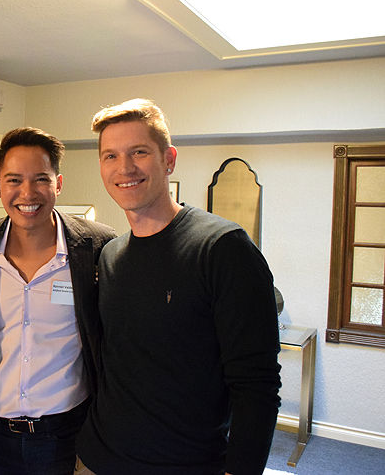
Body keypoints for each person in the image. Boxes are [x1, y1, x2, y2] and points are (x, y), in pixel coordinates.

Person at [74, 99, 282, 475]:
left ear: (168, 159)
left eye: (139, 152)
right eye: (110, 156)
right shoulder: (110, 255)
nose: (124, 167)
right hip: (97, 458)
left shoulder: (222, 248)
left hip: (186, 464)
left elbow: (257, 385)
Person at [0, 127, 116, 475]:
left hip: (69, 433)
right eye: (14, 180)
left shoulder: (97, 246)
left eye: (41, 179)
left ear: (58, 184)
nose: (27, 193)